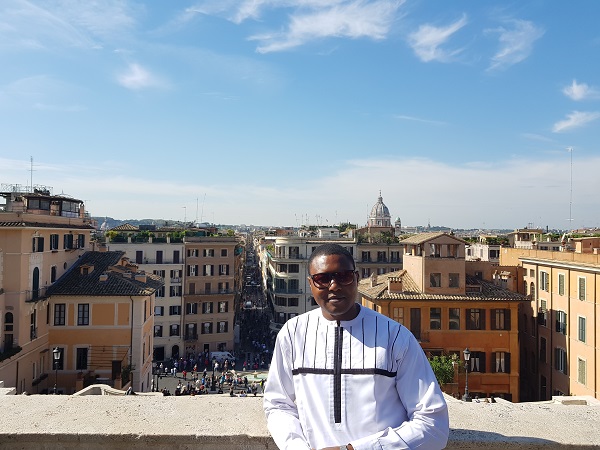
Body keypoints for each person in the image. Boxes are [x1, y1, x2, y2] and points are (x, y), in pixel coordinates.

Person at [263, 244, 449, 450]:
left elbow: (434, 426)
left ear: (357, 279)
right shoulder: (292, 334)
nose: (334, 286)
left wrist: (355, 449)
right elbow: (278, 405)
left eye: (344, 277)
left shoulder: (396, 337)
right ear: (310, 284)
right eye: (322, 279)